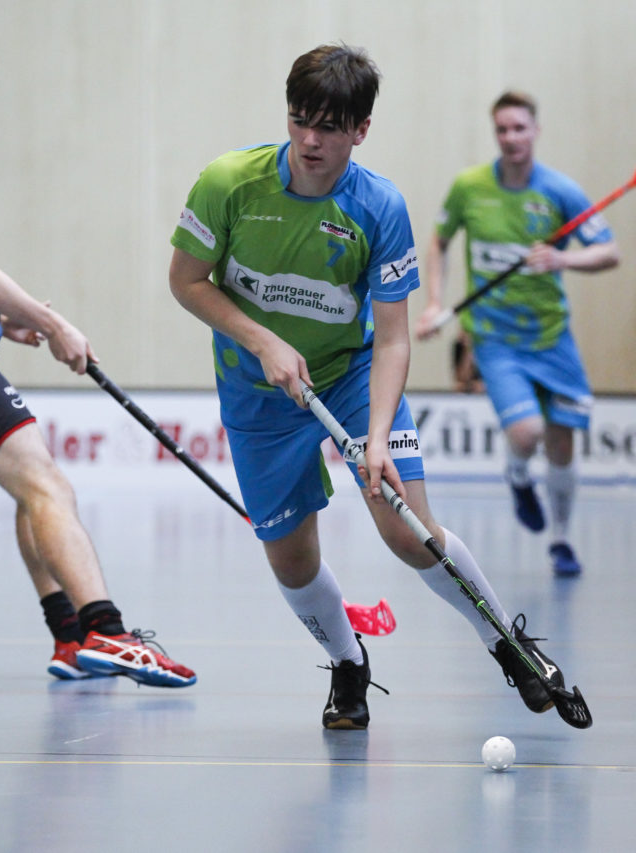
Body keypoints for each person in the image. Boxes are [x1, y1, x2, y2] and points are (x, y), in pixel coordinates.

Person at [169, 44, 576, 729]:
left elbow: (393, 337)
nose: (309, 140)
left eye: (329, 127)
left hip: (353, 379)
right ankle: (348, 662)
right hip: (257, 392)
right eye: (300, 120)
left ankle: (506, 640)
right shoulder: (228, 183)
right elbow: (186, 282)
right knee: (293, 562)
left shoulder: (379, 207)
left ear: (361, 129)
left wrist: (377, 437)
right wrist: (263, 339)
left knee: (408, 531)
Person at [0, 44, 195, 686]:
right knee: (52, 488)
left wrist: (3, 323)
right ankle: (108, 630)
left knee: (31, 488)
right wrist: (53, 324)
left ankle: (70, 639)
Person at [414, 91, 619, 577]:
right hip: (494, 338)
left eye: (519, 128)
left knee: (564, 442)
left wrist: (562, 258)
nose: (511, 138)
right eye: (502, 130)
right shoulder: (470, 187)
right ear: (495, 134)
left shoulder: (560, 192)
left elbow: (608, 252)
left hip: (551, 337)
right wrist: (436, 304)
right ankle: (518, 471)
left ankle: (561, 540)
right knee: (527, 433)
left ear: (535, 131)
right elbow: (439, 242)